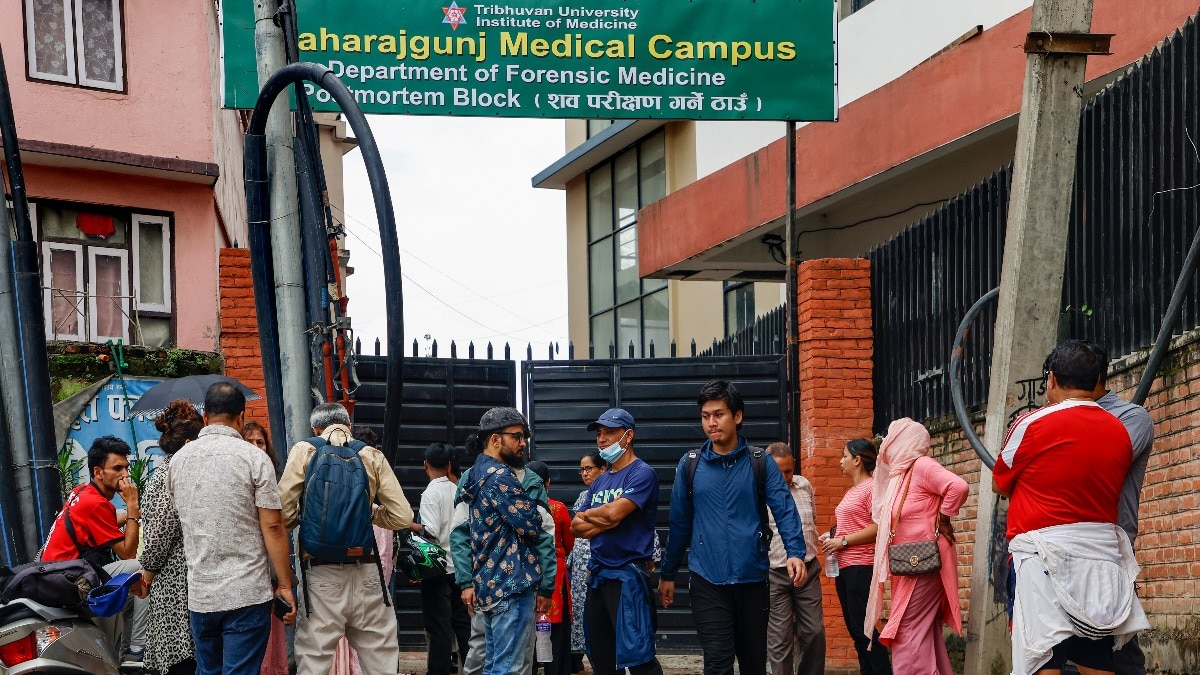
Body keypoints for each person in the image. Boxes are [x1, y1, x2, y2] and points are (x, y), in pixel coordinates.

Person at [993, 340, 1147, 675]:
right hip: (1100, 562)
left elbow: (1000, 483)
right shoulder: (1119, 431)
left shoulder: (1030, 424)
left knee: (1044, 659)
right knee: (1096, 661)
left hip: (1041, 561)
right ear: (1096, 382)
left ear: (1050, 379)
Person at [660, 381, 807, 675]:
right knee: (717, 661)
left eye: (719, 414)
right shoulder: (690, 465)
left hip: (751, 578)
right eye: (705, 416)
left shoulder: (759, 461)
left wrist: (795, 551)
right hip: (707, 579)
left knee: (753, 663)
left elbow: (784, 508)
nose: (711, 423)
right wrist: (668, 573)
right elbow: (679, 523)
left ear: (737, 416)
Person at [160, 382, 295, 675]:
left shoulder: (178, 461)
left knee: (208, 671)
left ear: (205, 417)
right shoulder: (255, 458)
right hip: (246, 593)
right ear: (241, 416)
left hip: (201, 596)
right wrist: (284, 585)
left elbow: (179, 518)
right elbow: (273, 526)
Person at [278, 402, 412, 675]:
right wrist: (369, 512)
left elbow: (283, 515)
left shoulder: (305, 450)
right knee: (382, 664)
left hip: (321, 576)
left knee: (314, 664)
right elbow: (402, 517)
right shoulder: (371, 454)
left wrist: (307, 519)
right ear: (348, 426)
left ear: (316, 428)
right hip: (367, 573)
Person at [452, 407, 553, 675]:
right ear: (496, 439)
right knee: (511, 669)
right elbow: (533, 523)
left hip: (489, 584)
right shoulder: (500, 477)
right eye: (518, 437)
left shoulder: (474, 474)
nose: (523, 444)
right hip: (511, 585)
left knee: (495, 666)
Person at [864, 418, 968, 675]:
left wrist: (944, 516)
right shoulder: (901, 474)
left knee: (906, 629)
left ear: (903, 440)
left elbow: (958, 486)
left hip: (923, 562)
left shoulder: (921, 466)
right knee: (924, 630)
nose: (885, 442)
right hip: (909, 564)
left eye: (890, 436)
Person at [571, 409, 664, 675]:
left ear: (628, 435)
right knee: (600, 657)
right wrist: (605, 518)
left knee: (639, 658)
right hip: (598, 575)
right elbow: (576, 526)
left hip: (628, 577)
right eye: (599, 434)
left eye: (609, 432)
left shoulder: (642, 473)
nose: (602, 439)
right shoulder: (600, 481)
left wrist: (597, 516)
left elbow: (613, 513)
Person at [42, 435, 145, 660]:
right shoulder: (95, 503)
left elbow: (107, 518)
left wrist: (136, 513)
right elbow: (128, 551)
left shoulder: (82, 491)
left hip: (56, 574)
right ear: (98, 472)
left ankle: (124, 656)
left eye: (126, 467)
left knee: (130, 596)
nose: (125, 474)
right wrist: (133, 507)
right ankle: (137, 649)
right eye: (117, 468)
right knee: (141, 568)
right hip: (70, 582)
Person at [1091, 375, 1154, 675]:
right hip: (1058, 557)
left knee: (1118, 654)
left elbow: (1095, 466)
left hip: (1110, 557)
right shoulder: (1050, 421)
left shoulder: (1131, 418)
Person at [141, 400, 204, 675]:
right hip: (175, 580)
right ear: (190, 442)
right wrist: (148, 571)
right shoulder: (172, 474)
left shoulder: (164, 473)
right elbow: (160, 534)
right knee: (184, 657)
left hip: (178, 579)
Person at [821, 439, 892, 675]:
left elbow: (877, 527)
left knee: (866, 630)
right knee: (855, 629)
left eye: (844, 456)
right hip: (845, 566)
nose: (840, 461)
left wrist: (842, 541)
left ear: (857, 460)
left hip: (861, 565)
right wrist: (833, 535)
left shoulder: (872, 488)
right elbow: (854, 525)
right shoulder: (852, 491)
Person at [763, 442, 825, 675]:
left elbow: (813, 520)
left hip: (808, 570)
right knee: (780, 638)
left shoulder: (804, 485)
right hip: (775, 573)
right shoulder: (758, 492)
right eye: (778, 472)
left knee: (814, 633)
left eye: (788, 471)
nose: (784, 477)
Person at [417, 442, 472, 675]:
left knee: (439, 629)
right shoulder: (459, 489)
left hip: (437, 571)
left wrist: (409, 525)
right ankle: (472, 669)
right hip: (460, 568)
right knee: (463, 626)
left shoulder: (431, 492)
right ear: (449, 464)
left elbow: (430, 532)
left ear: (425, 465)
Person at [238, 422, 288, 675]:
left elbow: (278, 528)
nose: (256, 447)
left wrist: (284, 580)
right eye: (250, 442)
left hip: (270, 571)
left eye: (260, 442)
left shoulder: (273, 480)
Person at [527, 461, 575, 675]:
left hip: (527, 571)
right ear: (548, 482)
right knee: (556, 630)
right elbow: (569, 542)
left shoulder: (518, 507)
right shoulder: (557, 508)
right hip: (555, 572)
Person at [566, 450, 607, 673]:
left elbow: (595, 525)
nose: (584, 473)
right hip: (579, 567)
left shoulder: (611, 495)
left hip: (600, 564)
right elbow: (576, 528)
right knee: (581, 615)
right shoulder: (583, 496)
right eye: (581, 469)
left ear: (603, 469)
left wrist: (590, 524)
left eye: (589, 468)